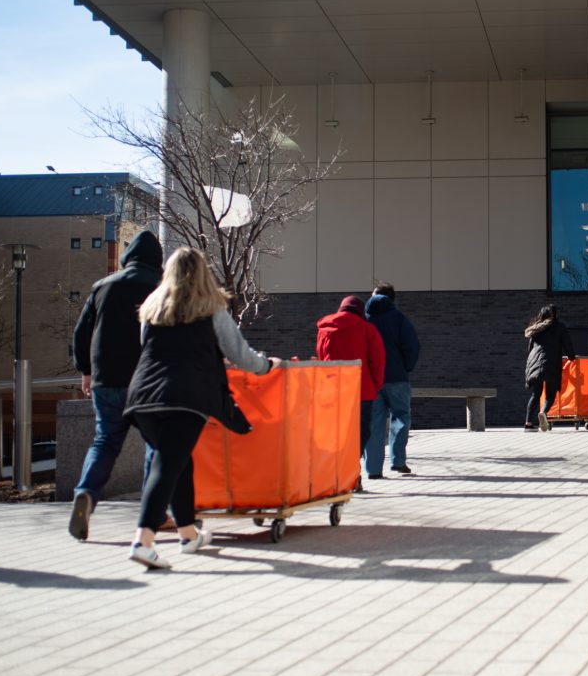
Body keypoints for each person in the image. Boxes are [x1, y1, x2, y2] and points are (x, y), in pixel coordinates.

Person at [123, 247, 280, 568]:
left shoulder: (152, 309)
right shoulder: (212, 310)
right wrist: (268, 366)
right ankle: (143, 540)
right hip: (186, 397)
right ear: (203, 273)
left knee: (178, 463)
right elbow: (240, 355)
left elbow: (153, 351)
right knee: (166, 467)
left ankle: (188, 534)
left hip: (143, 397)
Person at [69, 229, 163, 541]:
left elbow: (81, 334)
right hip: (146, 381)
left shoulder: (101, 286)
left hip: (104, 380)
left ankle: (85, 494)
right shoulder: (160, 288)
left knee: (105, 441)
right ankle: (155, 513)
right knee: (157, 444)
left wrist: (86, 371)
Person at [316, 295, 385, 493]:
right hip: (361, 390)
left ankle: (334, 474)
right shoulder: (367, 329)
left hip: (332, 390)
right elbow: (378, 360)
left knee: (336, 433)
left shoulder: (324, 329)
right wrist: (376, 384)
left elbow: (322, 357)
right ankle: (351, 473)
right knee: (360, 433)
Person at [365, 282, 420, 479]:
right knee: (401, 417)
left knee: (374, 423)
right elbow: (412, 346)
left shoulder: (366, 318)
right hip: (397, 378)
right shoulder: (399, 319)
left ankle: (373, 469)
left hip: (373, 380)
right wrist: (406, 367)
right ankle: (397, 461)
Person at [523, 305, 577, 432]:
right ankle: (543, 412)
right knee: (550, 395)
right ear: (555, 315)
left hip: (534, 364)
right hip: (551, 364)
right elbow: (567, 343)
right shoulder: (559, 327)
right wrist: (571, 357)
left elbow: (530, 348)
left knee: (536, 394)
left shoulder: (536, 328)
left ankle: (528, 424)